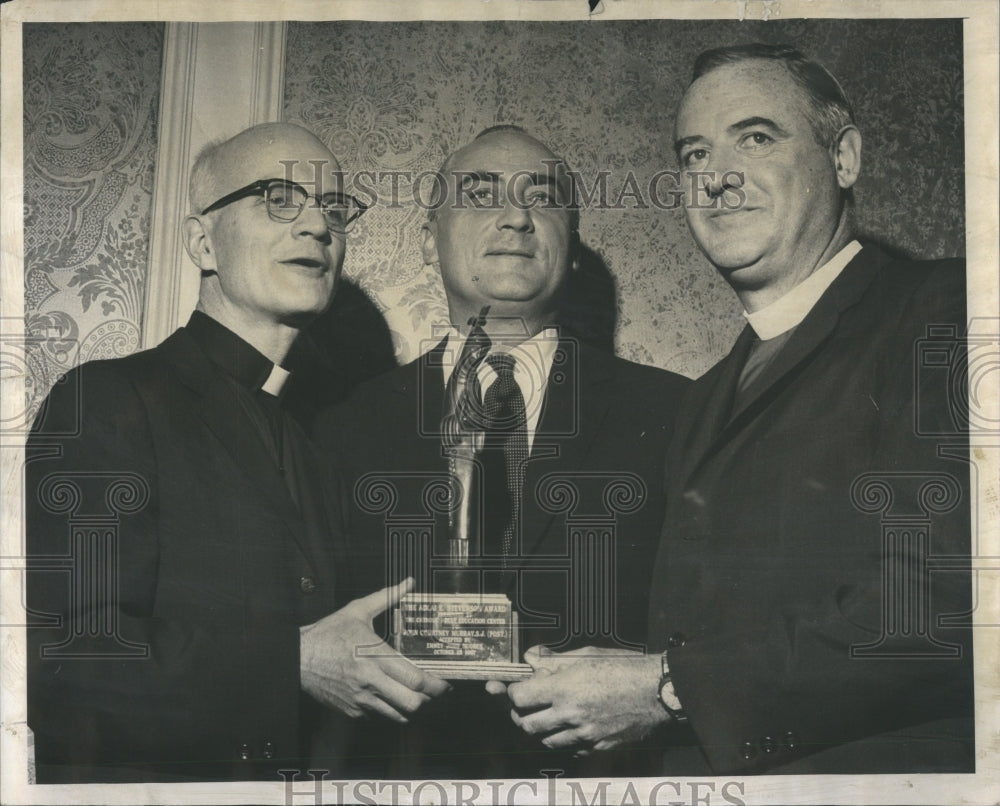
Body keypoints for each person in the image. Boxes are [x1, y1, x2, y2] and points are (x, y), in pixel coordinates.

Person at [500, 44, 974, 774]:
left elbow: (946, 603)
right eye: (694, 155)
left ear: (844, 158)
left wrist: (665, 687)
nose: (716, 178)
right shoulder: (706, 395)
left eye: (756, 138)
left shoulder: (945, 310)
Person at [25, 122, 448, 783]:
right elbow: (67, 665)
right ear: (203, 241)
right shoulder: (108, 399)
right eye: (279, 198)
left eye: (333, 207)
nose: (317, 226)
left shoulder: (320, 440)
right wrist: (292, 664)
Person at [314, 125, 689, 778]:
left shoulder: (678, 412)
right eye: (481, 194)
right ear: (429, 241)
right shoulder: (341, 423)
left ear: (570, 250)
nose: (516, 216)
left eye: (541, 198)